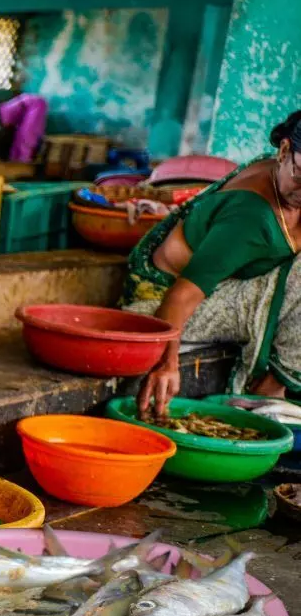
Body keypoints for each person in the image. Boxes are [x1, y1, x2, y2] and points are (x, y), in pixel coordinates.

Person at [129, 112, 301, 416]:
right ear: (284, 151)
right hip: (159, 304)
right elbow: (180, 297)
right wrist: (166, 365)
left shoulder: (280, 175)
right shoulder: (251, 219)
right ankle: (272, 385)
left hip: (221, 288)